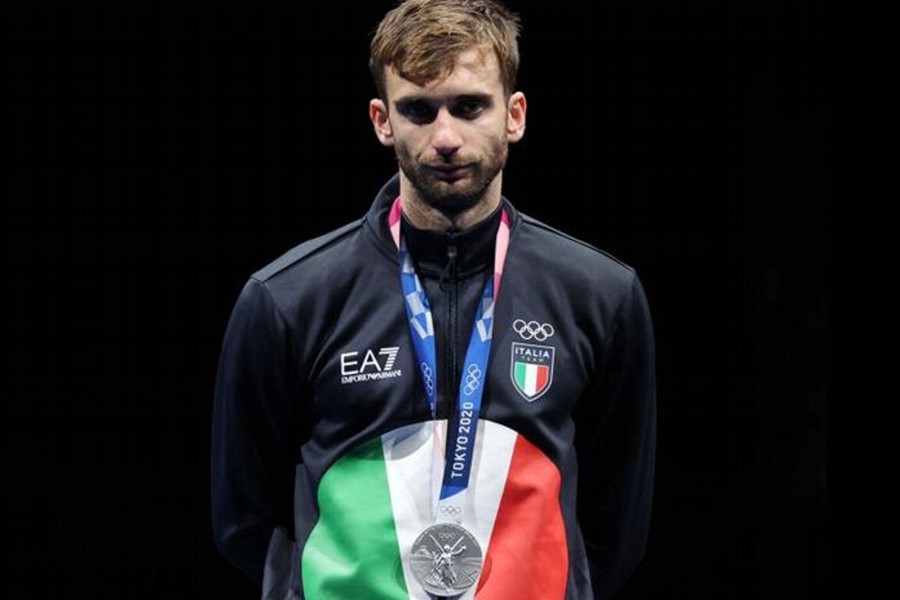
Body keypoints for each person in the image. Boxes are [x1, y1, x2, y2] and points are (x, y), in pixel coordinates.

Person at [211, 1, 657, 598]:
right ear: (382, 121)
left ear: (514, 115)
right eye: (418, 110)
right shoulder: (288, 299)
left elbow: (616, 524)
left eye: (470, 106)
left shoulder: (600, 294)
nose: (445, 137)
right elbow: (243, 518)